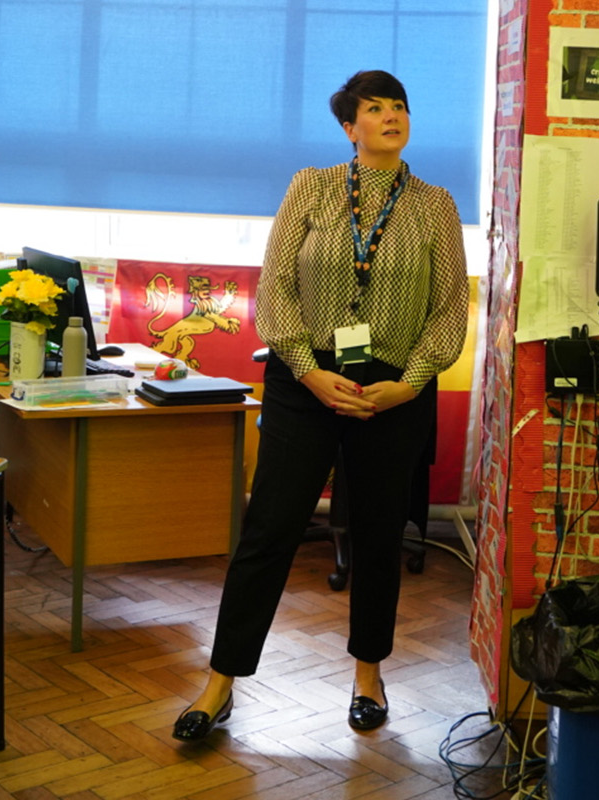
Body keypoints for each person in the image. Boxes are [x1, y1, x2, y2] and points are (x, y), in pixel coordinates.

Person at [173, 70, 468, 741]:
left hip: (391, 390)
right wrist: (307, 372)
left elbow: (451, 306)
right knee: (269, 529)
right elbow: (272, 288)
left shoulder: (436, 204)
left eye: (400, 106)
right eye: (376, 107)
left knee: (376, 534)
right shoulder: (311, 187)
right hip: (305, 384)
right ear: (349, 126)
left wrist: (412, 379)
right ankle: (219, 684)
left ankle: (368, 674)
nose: (392, 116)